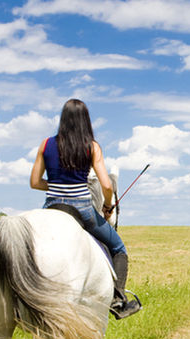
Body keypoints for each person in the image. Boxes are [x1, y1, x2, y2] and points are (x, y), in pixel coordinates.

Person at [30, 99, 141, 320]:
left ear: (62, 118)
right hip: (82, 209)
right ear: (85, 120)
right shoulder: (92, 146)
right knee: (118, 247)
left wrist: (54, 185)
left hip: (52, 207)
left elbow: (34, 182)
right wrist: (108, 206)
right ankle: (118, 300)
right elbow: (107, 185)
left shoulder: (45, 145)